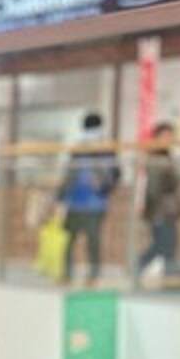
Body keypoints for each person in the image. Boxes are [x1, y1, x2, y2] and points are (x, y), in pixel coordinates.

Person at [58, 110, 121, 287]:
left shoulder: (106, 149)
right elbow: (69, 173)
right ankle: (67, 273)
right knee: (69, 239)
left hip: (95, 203)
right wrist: (61, 195)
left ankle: (93, 275)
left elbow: (115, 175)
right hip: (75, 201)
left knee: (92, 240)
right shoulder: (78, 149)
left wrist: (102, 187)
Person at [136, 121, 180, 285]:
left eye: (171, 136)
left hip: (167, 209)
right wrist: (152, 211)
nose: (170, 139)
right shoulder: (156, 157)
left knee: (169, 244)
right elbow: (153, 188)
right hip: (159, 210)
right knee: (163, 244)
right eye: (166, 136)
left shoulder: (167, 155)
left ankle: (171, 276)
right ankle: (138, 266)